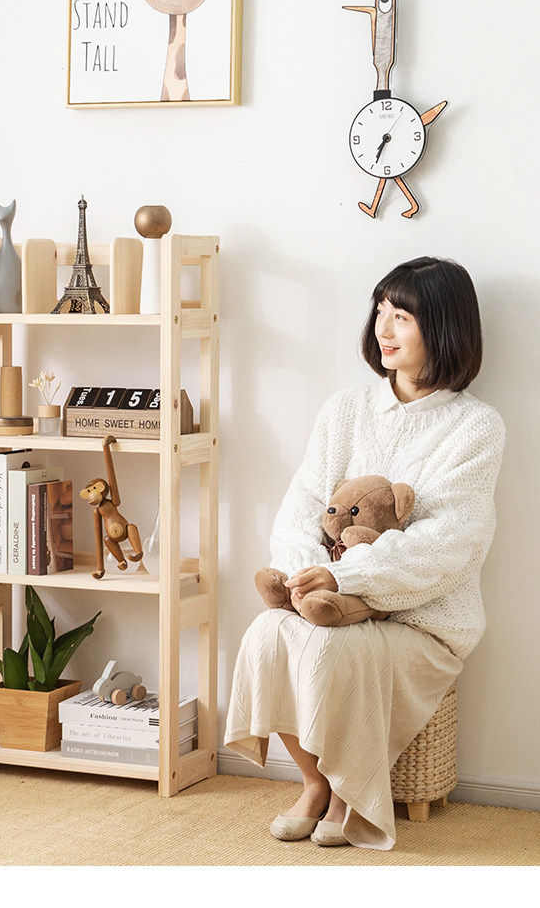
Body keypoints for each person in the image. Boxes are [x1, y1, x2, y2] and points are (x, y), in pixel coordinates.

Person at [224, 256, 505, 850]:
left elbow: (449, 545)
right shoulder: (345, 410)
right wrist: (304, 574)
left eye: (402, 316)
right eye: (380, 311)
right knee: (265, 633)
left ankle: (347, 794)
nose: (383, 328)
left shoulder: (476, 426)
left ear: (444, 327)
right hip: (324, 598)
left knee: (332, 650)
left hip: (422, 619)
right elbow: (301, 506)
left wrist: (343, 577)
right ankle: (314, 783)